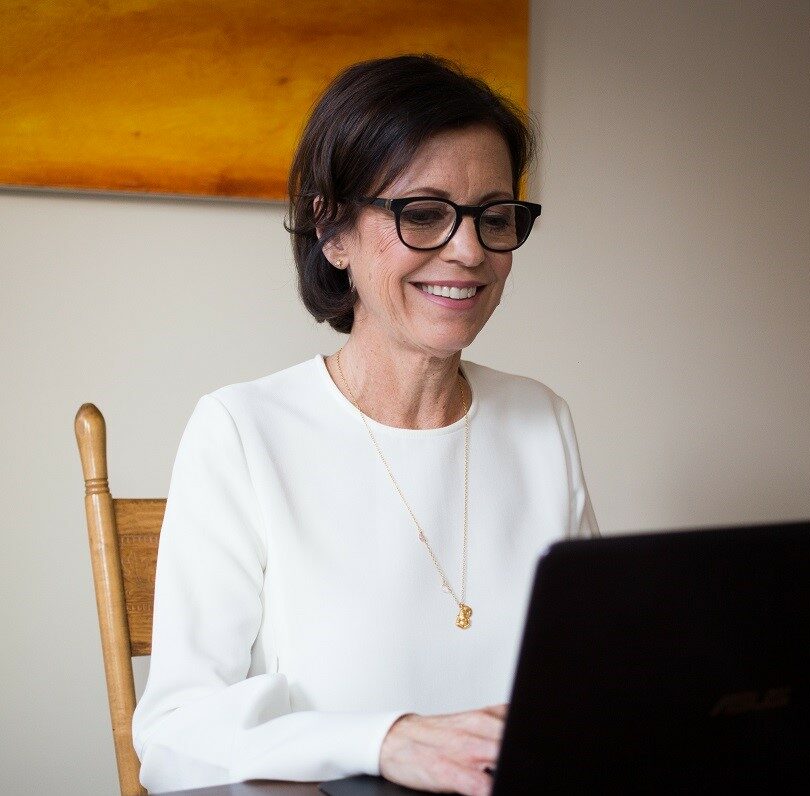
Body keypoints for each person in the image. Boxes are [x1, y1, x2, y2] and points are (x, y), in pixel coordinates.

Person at [131, 54, 599, 796]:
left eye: (495, 215)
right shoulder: (242, 431)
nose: (471, 251)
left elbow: (597, 681)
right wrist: (386, 741)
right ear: (333, 230)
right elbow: (173, 738)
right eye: (422, 213)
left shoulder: (542, 421)